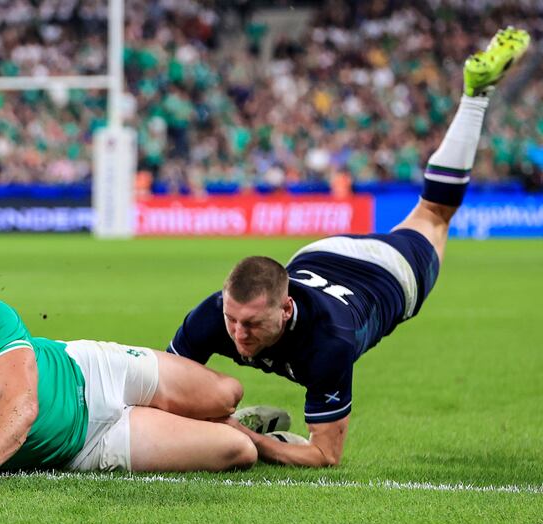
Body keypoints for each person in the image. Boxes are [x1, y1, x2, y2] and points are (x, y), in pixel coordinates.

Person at [166, 27, 530, 467]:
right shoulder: (214, 315)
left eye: (250, 324)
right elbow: (166, 383)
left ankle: (476, 96)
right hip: (318, 256)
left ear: (284, 311)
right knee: (430, 210)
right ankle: (475, 94)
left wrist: (247, 438)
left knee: (434, 213)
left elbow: (324, 454)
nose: (238, 334)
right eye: (233, 319)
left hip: (387, 273)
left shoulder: (330, 342)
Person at [0, 250, 256, 486]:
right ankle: (248, 432)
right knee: (238, 450)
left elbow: (20, 400)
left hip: (92, 370)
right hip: (85, 447)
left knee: (226, 394)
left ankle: (237, 417)